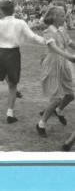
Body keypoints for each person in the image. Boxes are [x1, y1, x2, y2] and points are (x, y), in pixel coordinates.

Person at [36, 7, 75, 137]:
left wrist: (68, 55)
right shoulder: (48, 31)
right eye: (63, 16)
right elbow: (53, 47)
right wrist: (68, 56)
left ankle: (58, 110)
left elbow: (69, 43)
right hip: (53, 64)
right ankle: (41, 124)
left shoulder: (62, 30)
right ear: (54, 17)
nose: (65, 18)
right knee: (57, 97)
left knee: (70, 94)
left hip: (64, 64)